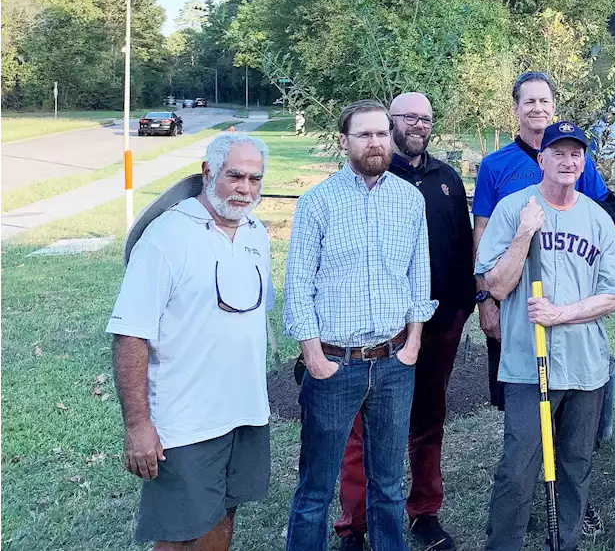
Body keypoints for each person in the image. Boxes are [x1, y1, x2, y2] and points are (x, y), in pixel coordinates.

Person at [107, 133, 272, 550]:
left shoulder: (256, 234)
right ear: (207, 172)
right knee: (179, 529)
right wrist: (138, 426)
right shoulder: (166, 237)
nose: (245, 188)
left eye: (255, 179)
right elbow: (131, 334)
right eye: (235, 176)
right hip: (185, 421)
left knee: (225, 512)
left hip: (245, 411)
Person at [284, 100, 436, 551]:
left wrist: (412, 345)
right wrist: (314, 356)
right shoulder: (318, 203)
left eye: (382, 134)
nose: (376, 143)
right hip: (335, 363)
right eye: (365, 135)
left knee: (388, 484)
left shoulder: (410, 200)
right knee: (316, 488)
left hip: (393, 363)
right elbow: (297, 286)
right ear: (344, 141)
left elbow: (418, 276)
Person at [471, 72, 615, 534]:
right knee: (518, 467)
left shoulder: (597, 218)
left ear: (583, 162)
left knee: (576, 463)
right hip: (526, 362)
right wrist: (523, 234)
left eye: (575, 154)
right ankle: (505, 545)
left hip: (586, 365)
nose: (567, 161)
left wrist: (561, 314)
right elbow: (495, 284)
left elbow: (613, 295)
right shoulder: (514, 207)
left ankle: (567, 540)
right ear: (542, 157)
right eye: (558, 153)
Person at [334, 93, 474, 551]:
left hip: (438, 323)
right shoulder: (371, 176)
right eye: (408, 116)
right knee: (363, 425)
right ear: (390, 123)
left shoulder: (447, 179)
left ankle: (424, 512)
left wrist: (459, 310)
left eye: (426, 118)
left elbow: (460, 248)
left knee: (428, 418)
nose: (418, 124)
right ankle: (354, 523)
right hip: (380, 327)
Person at [594, 110, 615, 186]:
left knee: (610, 181)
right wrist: (593, 153)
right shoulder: (597, 124)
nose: (609, 116)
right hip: (599, 157)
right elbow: (591, 138)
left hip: (610, 157)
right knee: (598, 180)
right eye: (608, 113)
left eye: (612, 114)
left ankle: (610, 195)